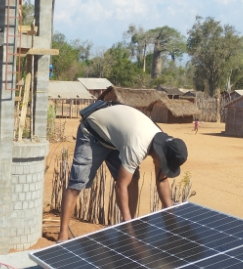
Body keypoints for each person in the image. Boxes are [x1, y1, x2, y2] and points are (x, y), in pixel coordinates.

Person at [58, 100, 188, 242]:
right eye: (165, 165)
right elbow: (121, 186)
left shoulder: (163, 143)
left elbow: (162, 181)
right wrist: (130, 229)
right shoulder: (138, 147)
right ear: (160, 155)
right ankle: (63, 234)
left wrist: (171, 219)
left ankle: (126, 230)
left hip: (117, 140)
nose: (164, 168)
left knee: (133, 178)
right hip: (93, 133)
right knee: (77, 183)